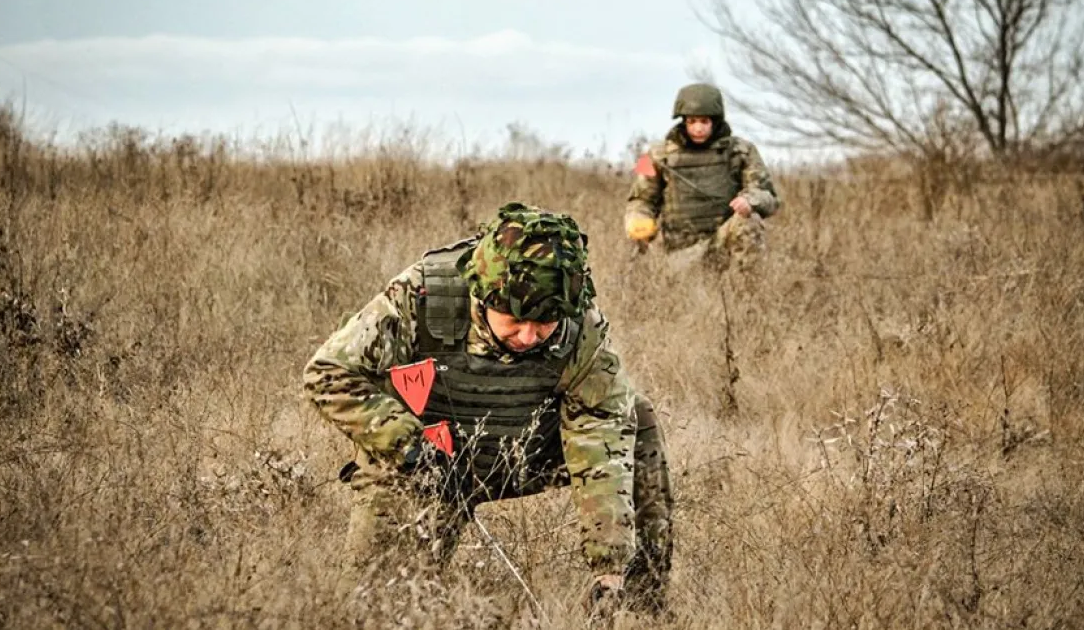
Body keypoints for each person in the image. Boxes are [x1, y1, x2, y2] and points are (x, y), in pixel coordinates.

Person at [302, 202, 674, 620]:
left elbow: (600, 432)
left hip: (524, 450)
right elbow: (328, 373)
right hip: (423, 462)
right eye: (515, 320)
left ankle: (643, 606)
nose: (530, 335)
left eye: (545, 322)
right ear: (484, 293)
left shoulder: (578, 321)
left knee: (634, 415)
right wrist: (405, 445)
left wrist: (609, 565)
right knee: (378, 609)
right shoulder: (425, 293)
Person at [624, 82, 783, 270]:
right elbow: (641, 199)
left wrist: (750, 201)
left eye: (704, 122)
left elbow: (768, 196)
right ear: (683, 121)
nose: (698, 128)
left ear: (715, 122)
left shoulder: (740, 152)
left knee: (748, 221)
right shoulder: (658, 155)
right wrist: (638, 219)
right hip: (680, 254)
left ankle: (748, 293)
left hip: (724, 240)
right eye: (692, 122)